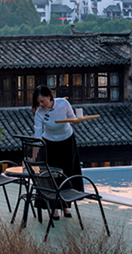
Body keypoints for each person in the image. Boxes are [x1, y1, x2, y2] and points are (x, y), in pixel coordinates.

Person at [29, 84, 84, 220]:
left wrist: (78, 120)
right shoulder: (40, 113)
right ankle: (54, 209)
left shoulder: (63, 103)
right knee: (52, 176)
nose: (41, 104)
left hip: (67, 142)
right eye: (38, 103)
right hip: (50, 144)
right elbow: (37, 136)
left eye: (43, 101)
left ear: (50, 96)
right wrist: (33, 157)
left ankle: (65, 206)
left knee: (66, 174)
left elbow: (73, 119)